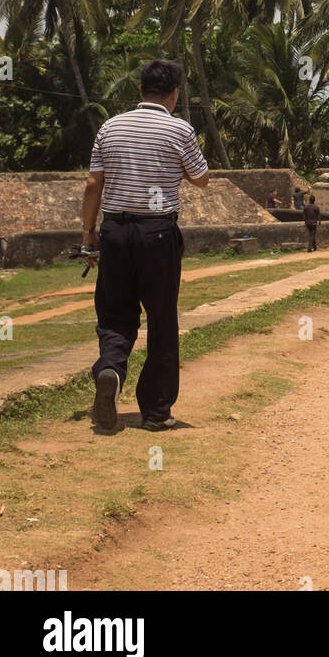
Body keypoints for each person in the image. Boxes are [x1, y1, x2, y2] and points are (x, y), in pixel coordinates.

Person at [82, 59, 209, 432]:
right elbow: (201, 179)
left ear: (140, 91)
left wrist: (89, 233)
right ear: (174, 94)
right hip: (158, 233)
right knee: (161, 320)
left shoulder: (110, 127)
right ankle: (155, 412)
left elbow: (93, 183)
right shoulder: (179, 129)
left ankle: (110, 369)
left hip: (115, 231)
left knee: (115, 313)